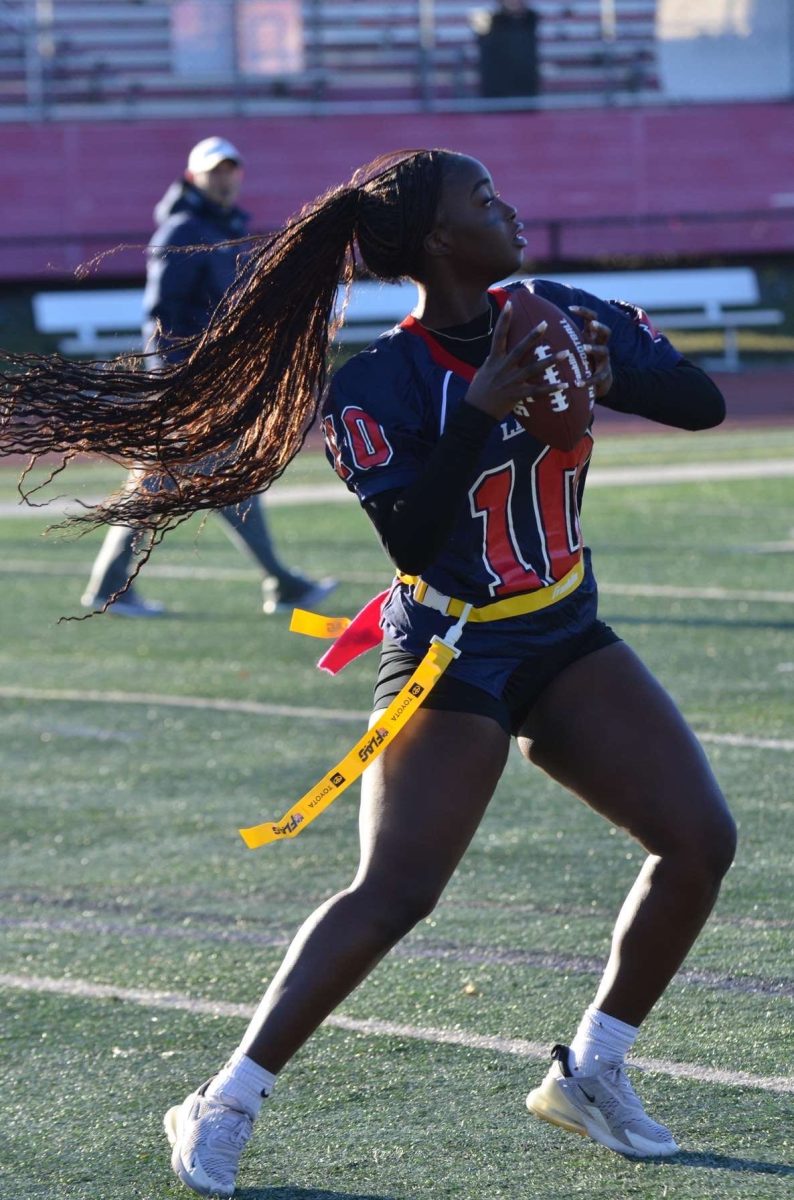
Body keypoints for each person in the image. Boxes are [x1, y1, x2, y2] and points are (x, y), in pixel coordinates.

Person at [0, 149, 736, 1195]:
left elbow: (700, 405)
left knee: (699, 838)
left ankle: (593, 1069)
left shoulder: (559, 309)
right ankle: (223, 1099)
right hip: (449, 645)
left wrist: (617, 373)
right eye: (482, 200)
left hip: (563, 627)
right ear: (439, 239)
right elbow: (414, 540)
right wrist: (482, 408)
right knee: (396, 890)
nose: (507, 206)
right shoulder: (376, 384)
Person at [80, 135, 336, 616]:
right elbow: (163, 315)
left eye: (230, 169)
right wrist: (177, 385)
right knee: (222, 478)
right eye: (214, 170)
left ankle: (109, 589)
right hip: (189, 386)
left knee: (165, 484)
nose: (223, 178)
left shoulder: (223, 229)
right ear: (195, 176)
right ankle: (282, 584)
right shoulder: (183, 230)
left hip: (211, 383)